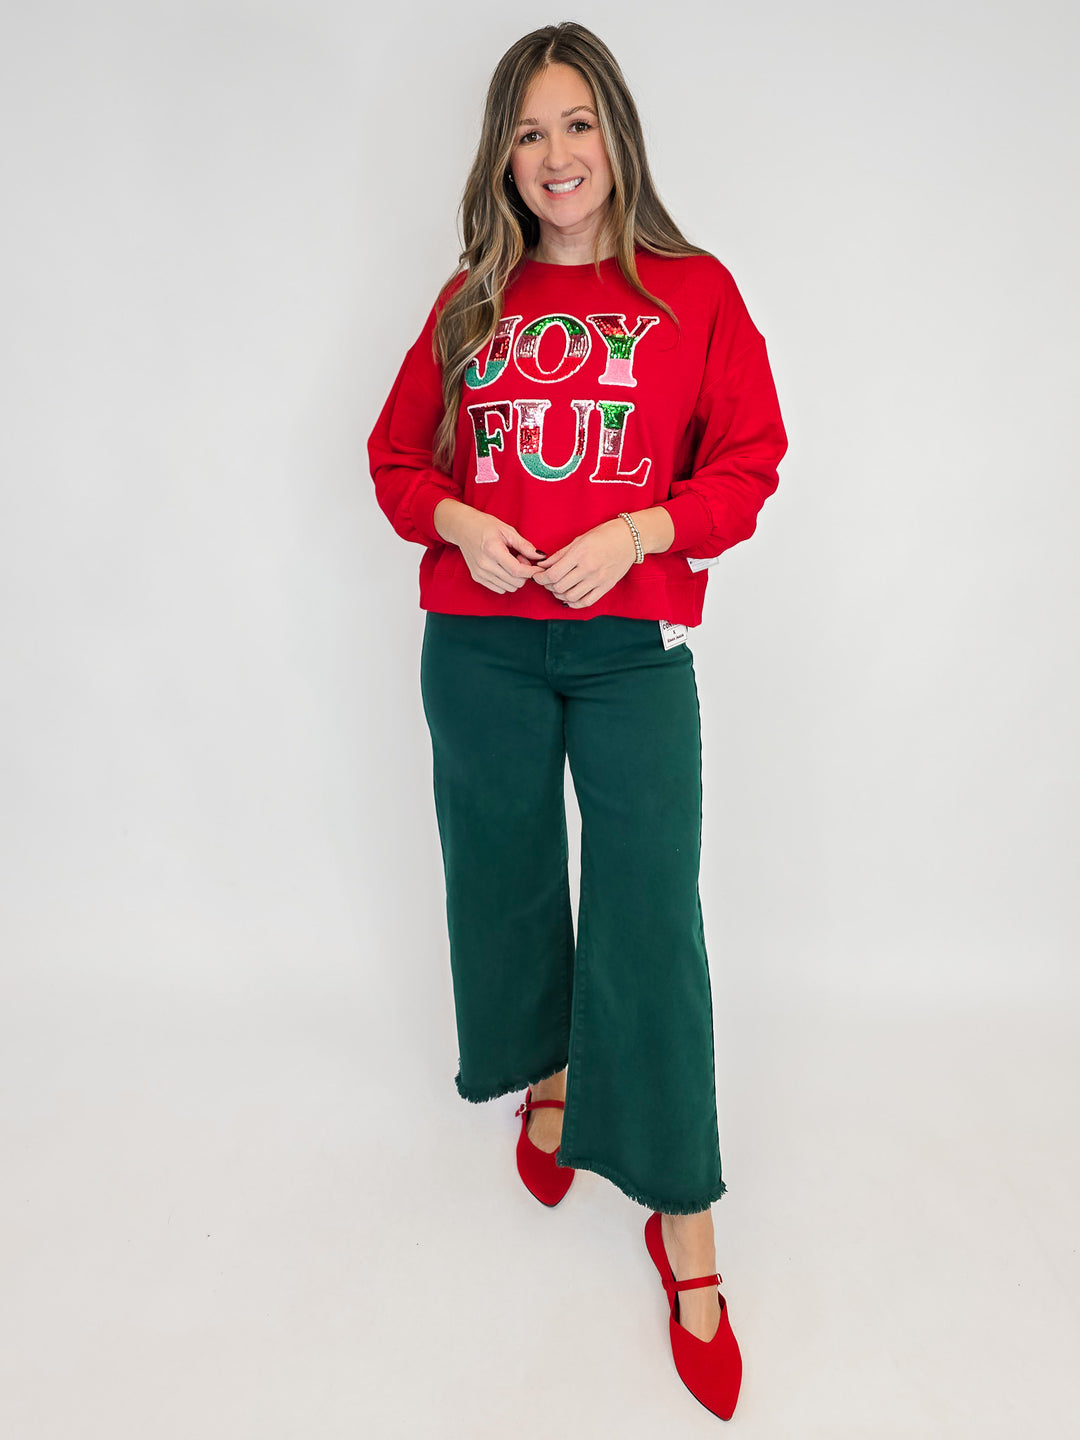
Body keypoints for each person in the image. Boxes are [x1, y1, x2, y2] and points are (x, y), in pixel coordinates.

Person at [367, 22, 787, 1422]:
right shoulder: (469, 302)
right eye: (528, 131)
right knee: (502, 879)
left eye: (576, 124)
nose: (555, 156)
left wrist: (644, 528)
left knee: (649, 920)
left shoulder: (693, 291)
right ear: (503, 156)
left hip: (629, 651)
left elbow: (751, 459)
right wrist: (457, 517)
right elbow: (394, 458)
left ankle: (686, 1223)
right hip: (479, 647)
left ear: (618, 133)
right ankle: (545, 1075)